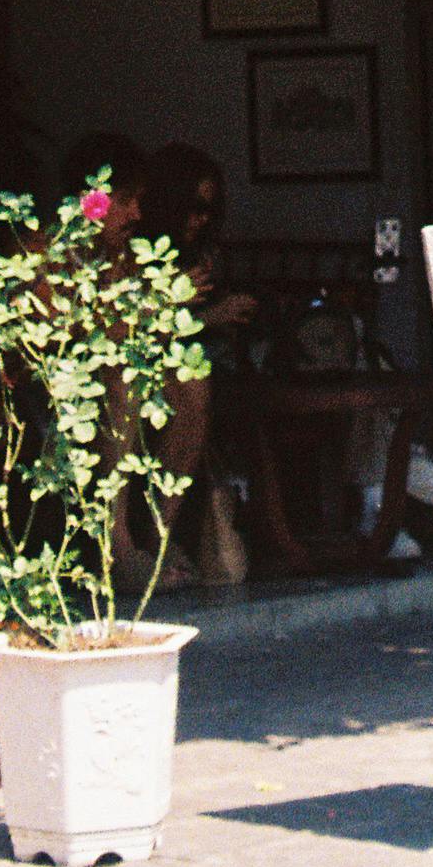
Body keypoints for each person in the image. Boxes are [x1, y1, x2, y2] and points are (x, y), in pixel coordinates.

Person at [138, 144, 253, 586]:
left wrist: (224, 314)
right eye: (193, 208)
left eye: (211, 209)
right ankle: (156, 538)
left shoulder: (202, 255)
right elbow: (134, 330)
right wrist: (200, 313)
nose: (201, 220)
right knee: (192, 394)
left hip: (208, 361)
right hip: (158, 370)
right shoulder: (139, 252)